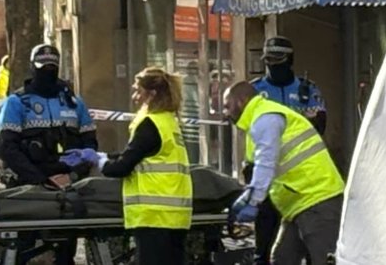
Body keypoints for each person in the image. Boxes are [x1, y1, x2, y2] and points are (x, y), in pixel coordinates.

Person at [63, 67, 193, 265]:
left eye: (138, 91)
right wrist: (100, 155)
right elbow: (141, 155)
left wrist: (99, 161)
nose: (134, 97)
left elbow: (122, 167)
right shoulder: (169, 122)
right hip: (175, 216)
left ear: (152, 94)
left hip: (153, 215)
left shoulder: (149, 124)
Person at [0, 44, 98, 265]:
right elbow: (7, 148)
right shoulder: (17, 103)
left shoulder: (74, 103)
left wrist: (72, 175)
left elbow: (90, 145)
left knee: (64, 254)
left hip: (67, 189)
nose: (48, 71)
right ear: (33, 67)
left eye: (52, 66)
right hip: (29, 189)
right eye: (43, 66)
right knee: (21, 251)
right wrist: (40, 179)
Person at [223, 82, 344, 265]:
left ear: (241, 101)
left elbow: (266, 163)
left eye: (227, 105)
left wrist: (253, 199)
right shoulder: (261, 120)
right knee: (282, 258)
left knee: (324, 259)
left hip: (317, 199)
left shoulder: (264, 118)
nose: (225, 112)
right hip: (300, 203)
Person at [248, 37, 328, 265]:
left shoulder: (307, 90)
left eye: (278, 60)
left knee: (309, 240)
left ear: (289, 60)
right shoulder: (255, 90)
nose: (273, 65)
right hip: (267, 174)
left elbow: (319, 127)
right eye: (268, 61)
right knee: (265, 240)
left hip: (301, 178)